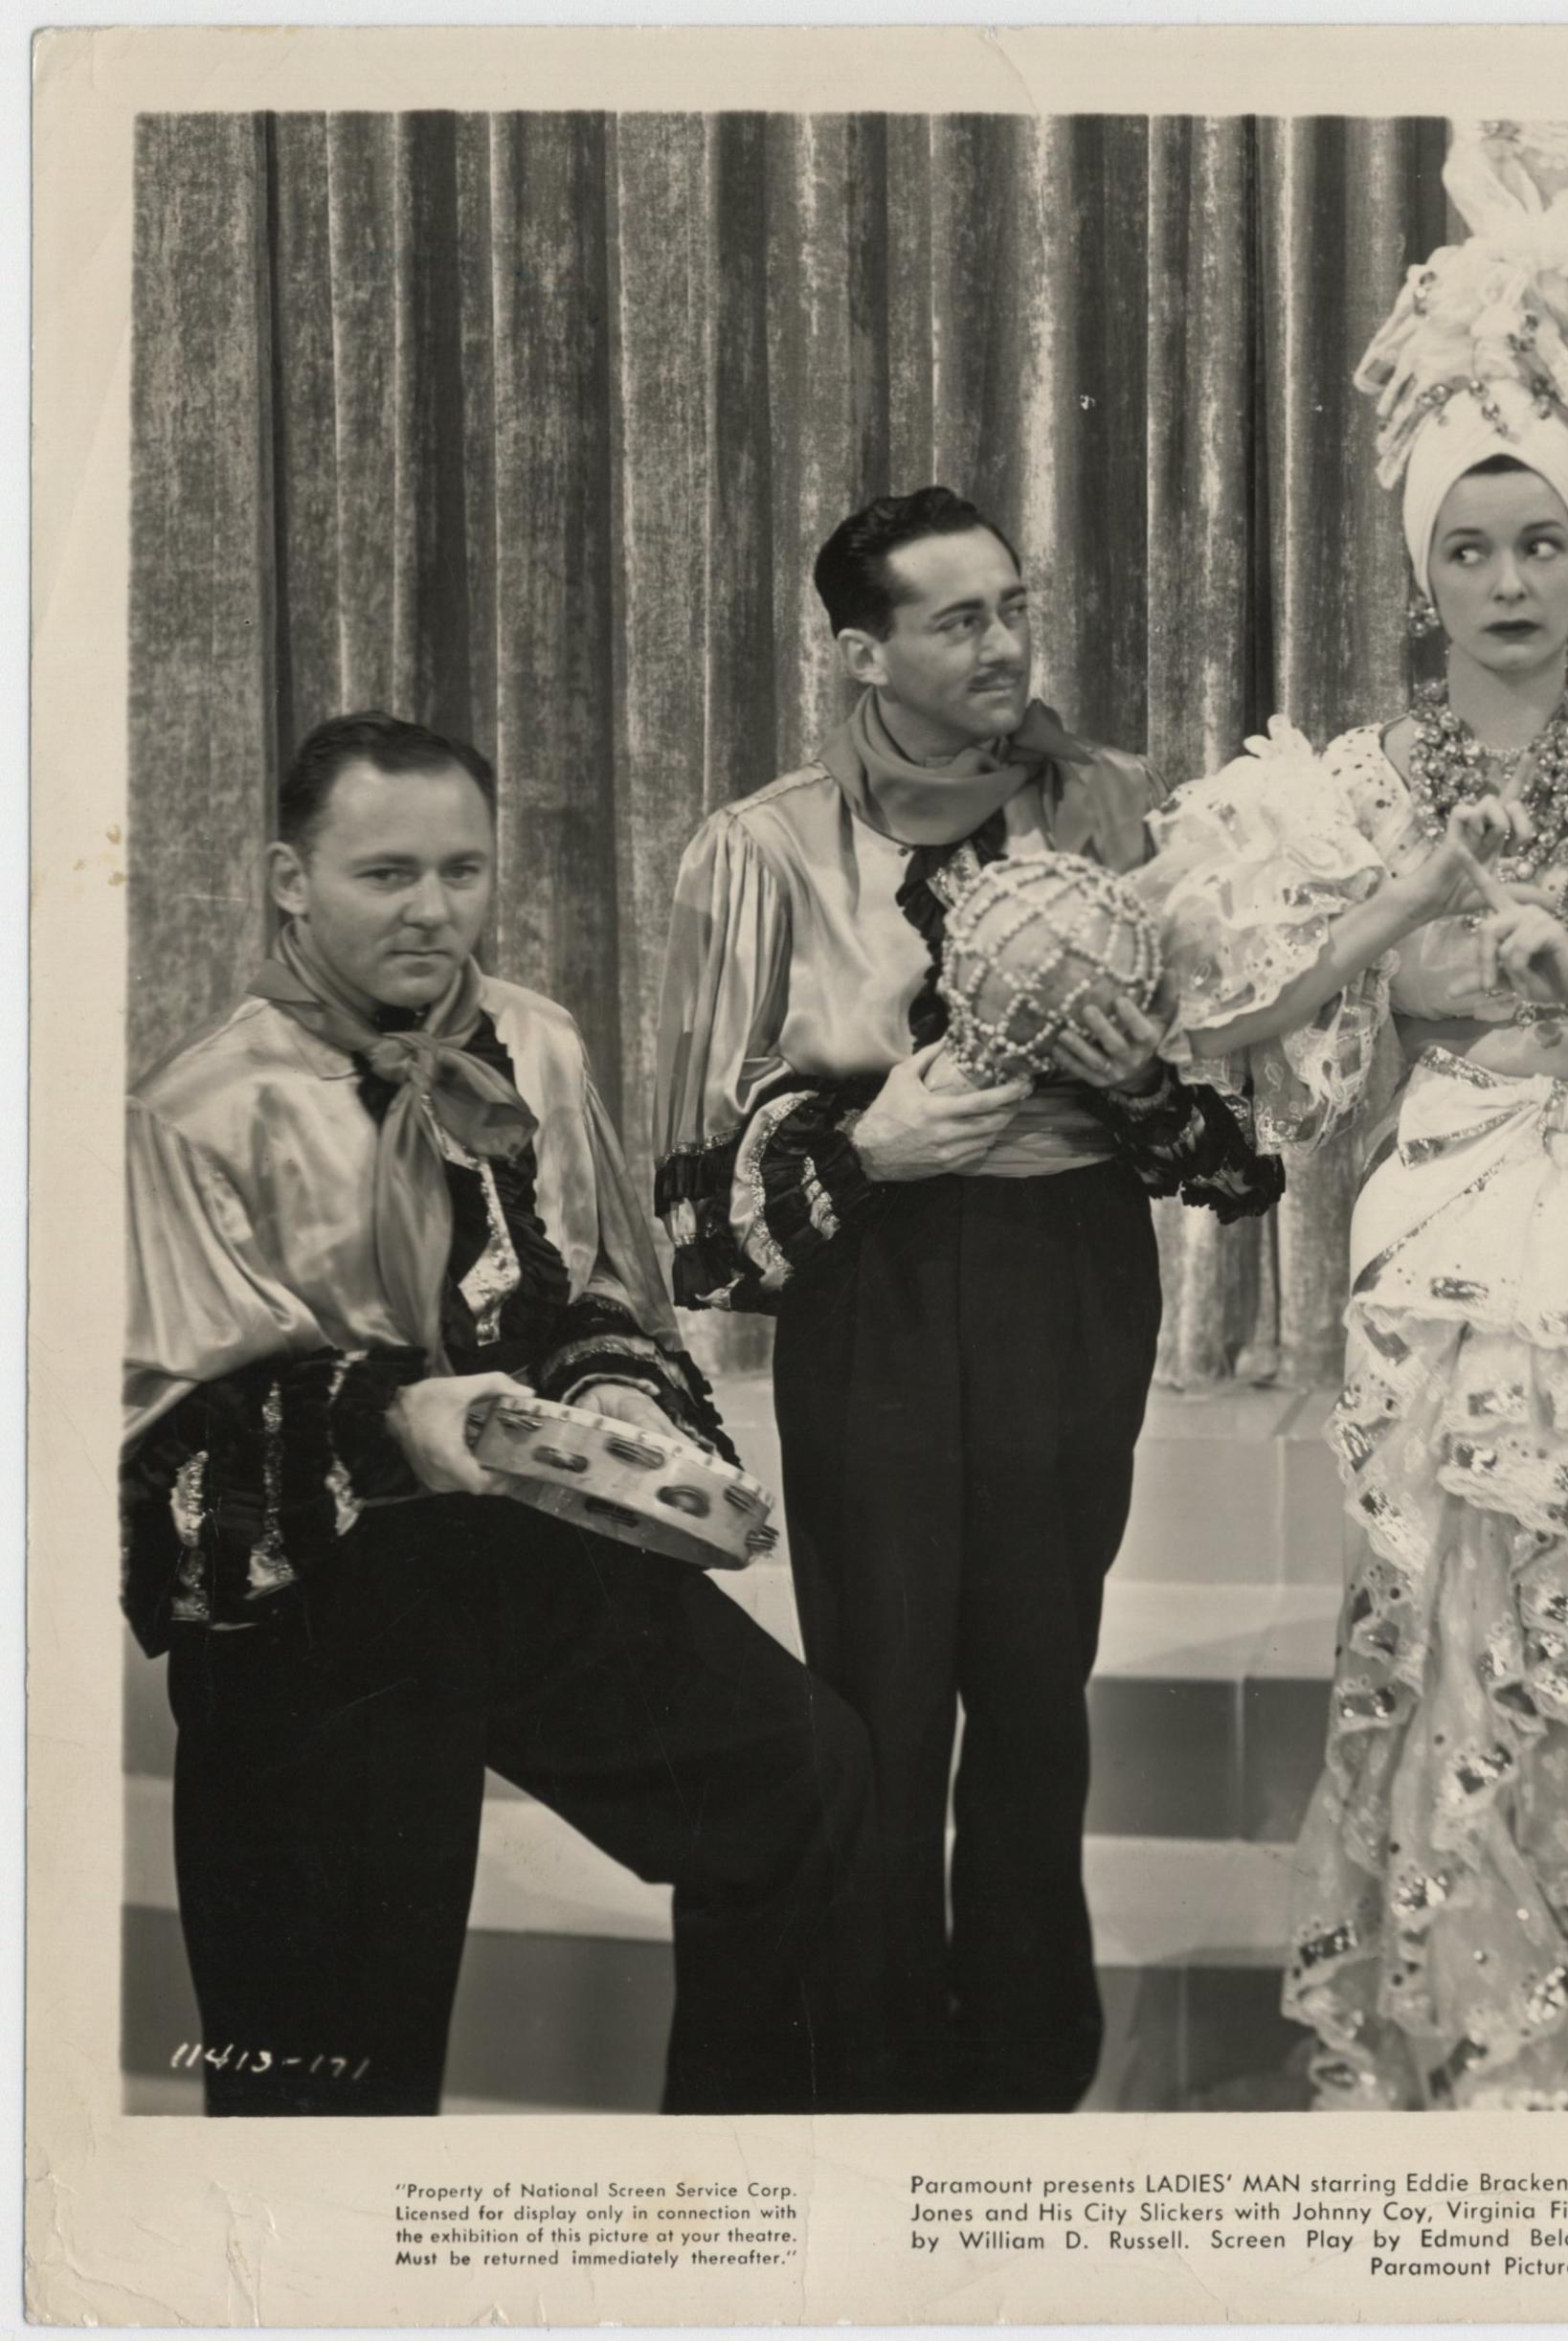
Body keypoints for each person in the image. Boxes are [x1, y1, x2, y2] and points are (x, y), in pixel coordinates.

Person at [1140, 121, 1568, 2111]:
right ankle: (1486, 2029)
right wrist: (1405, 909)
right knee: (1449, 1609)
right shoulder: (1363, 774)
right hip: (1445, 1203)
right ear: (1420, 567)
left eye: (1538, 543)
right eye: (1468, 547)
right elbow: (1245, 1010)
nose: (1507, 580)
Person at [123, 712, 877, 2117]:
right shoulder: (196, 1108)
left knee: (804, 1778)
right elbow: (161, 1449)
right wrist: (399, 1422)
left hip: (523, 1542)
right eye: (386, 874)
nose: (434, 908)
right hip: (316, 1606)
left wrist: (605, 1383)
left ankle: (724, 2195)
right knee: (333, 2072)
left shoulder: (533, 1038)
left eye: (461, 871)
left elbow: (597, 1281)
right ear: (290, 880)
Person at [655, 486, 1282, 2114]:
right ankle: (870, 2075)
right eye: (959, 619)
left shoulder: (1111, 810)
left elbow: (1231, 1134)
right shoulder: (761, 849)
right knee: (876, 1696)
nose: (1005, 644)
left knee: (1033, 1684)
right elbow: (695, 1206)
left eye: (1014, 606)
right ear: (860, 653)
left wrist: (1141, 1083)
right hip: (875, 1291)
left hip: (1069, 1273)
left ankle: (1021, 2070)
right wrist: (866, 1148)